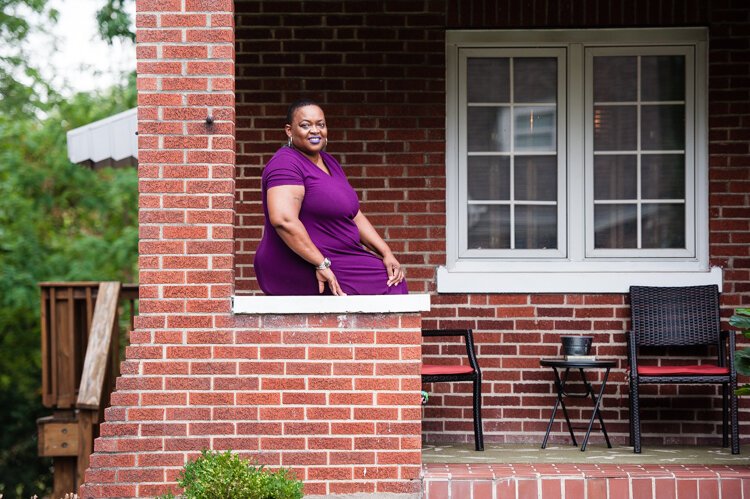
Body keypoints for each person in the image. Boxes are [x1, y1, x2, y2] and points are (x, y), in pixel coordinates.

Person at [253, 99, 408, 296]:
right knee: (388, 285)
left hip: (340, 256)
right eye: (305, 125)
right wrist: (321, 264)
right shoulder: (285, 164)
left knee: (393, 277)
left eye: (321, 124)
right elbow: (284, 220)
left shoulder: (329, 162)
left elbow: (353, 213)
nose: (315, 131)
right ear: (289, 131)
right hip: (300, 263)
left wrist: (386, 253)